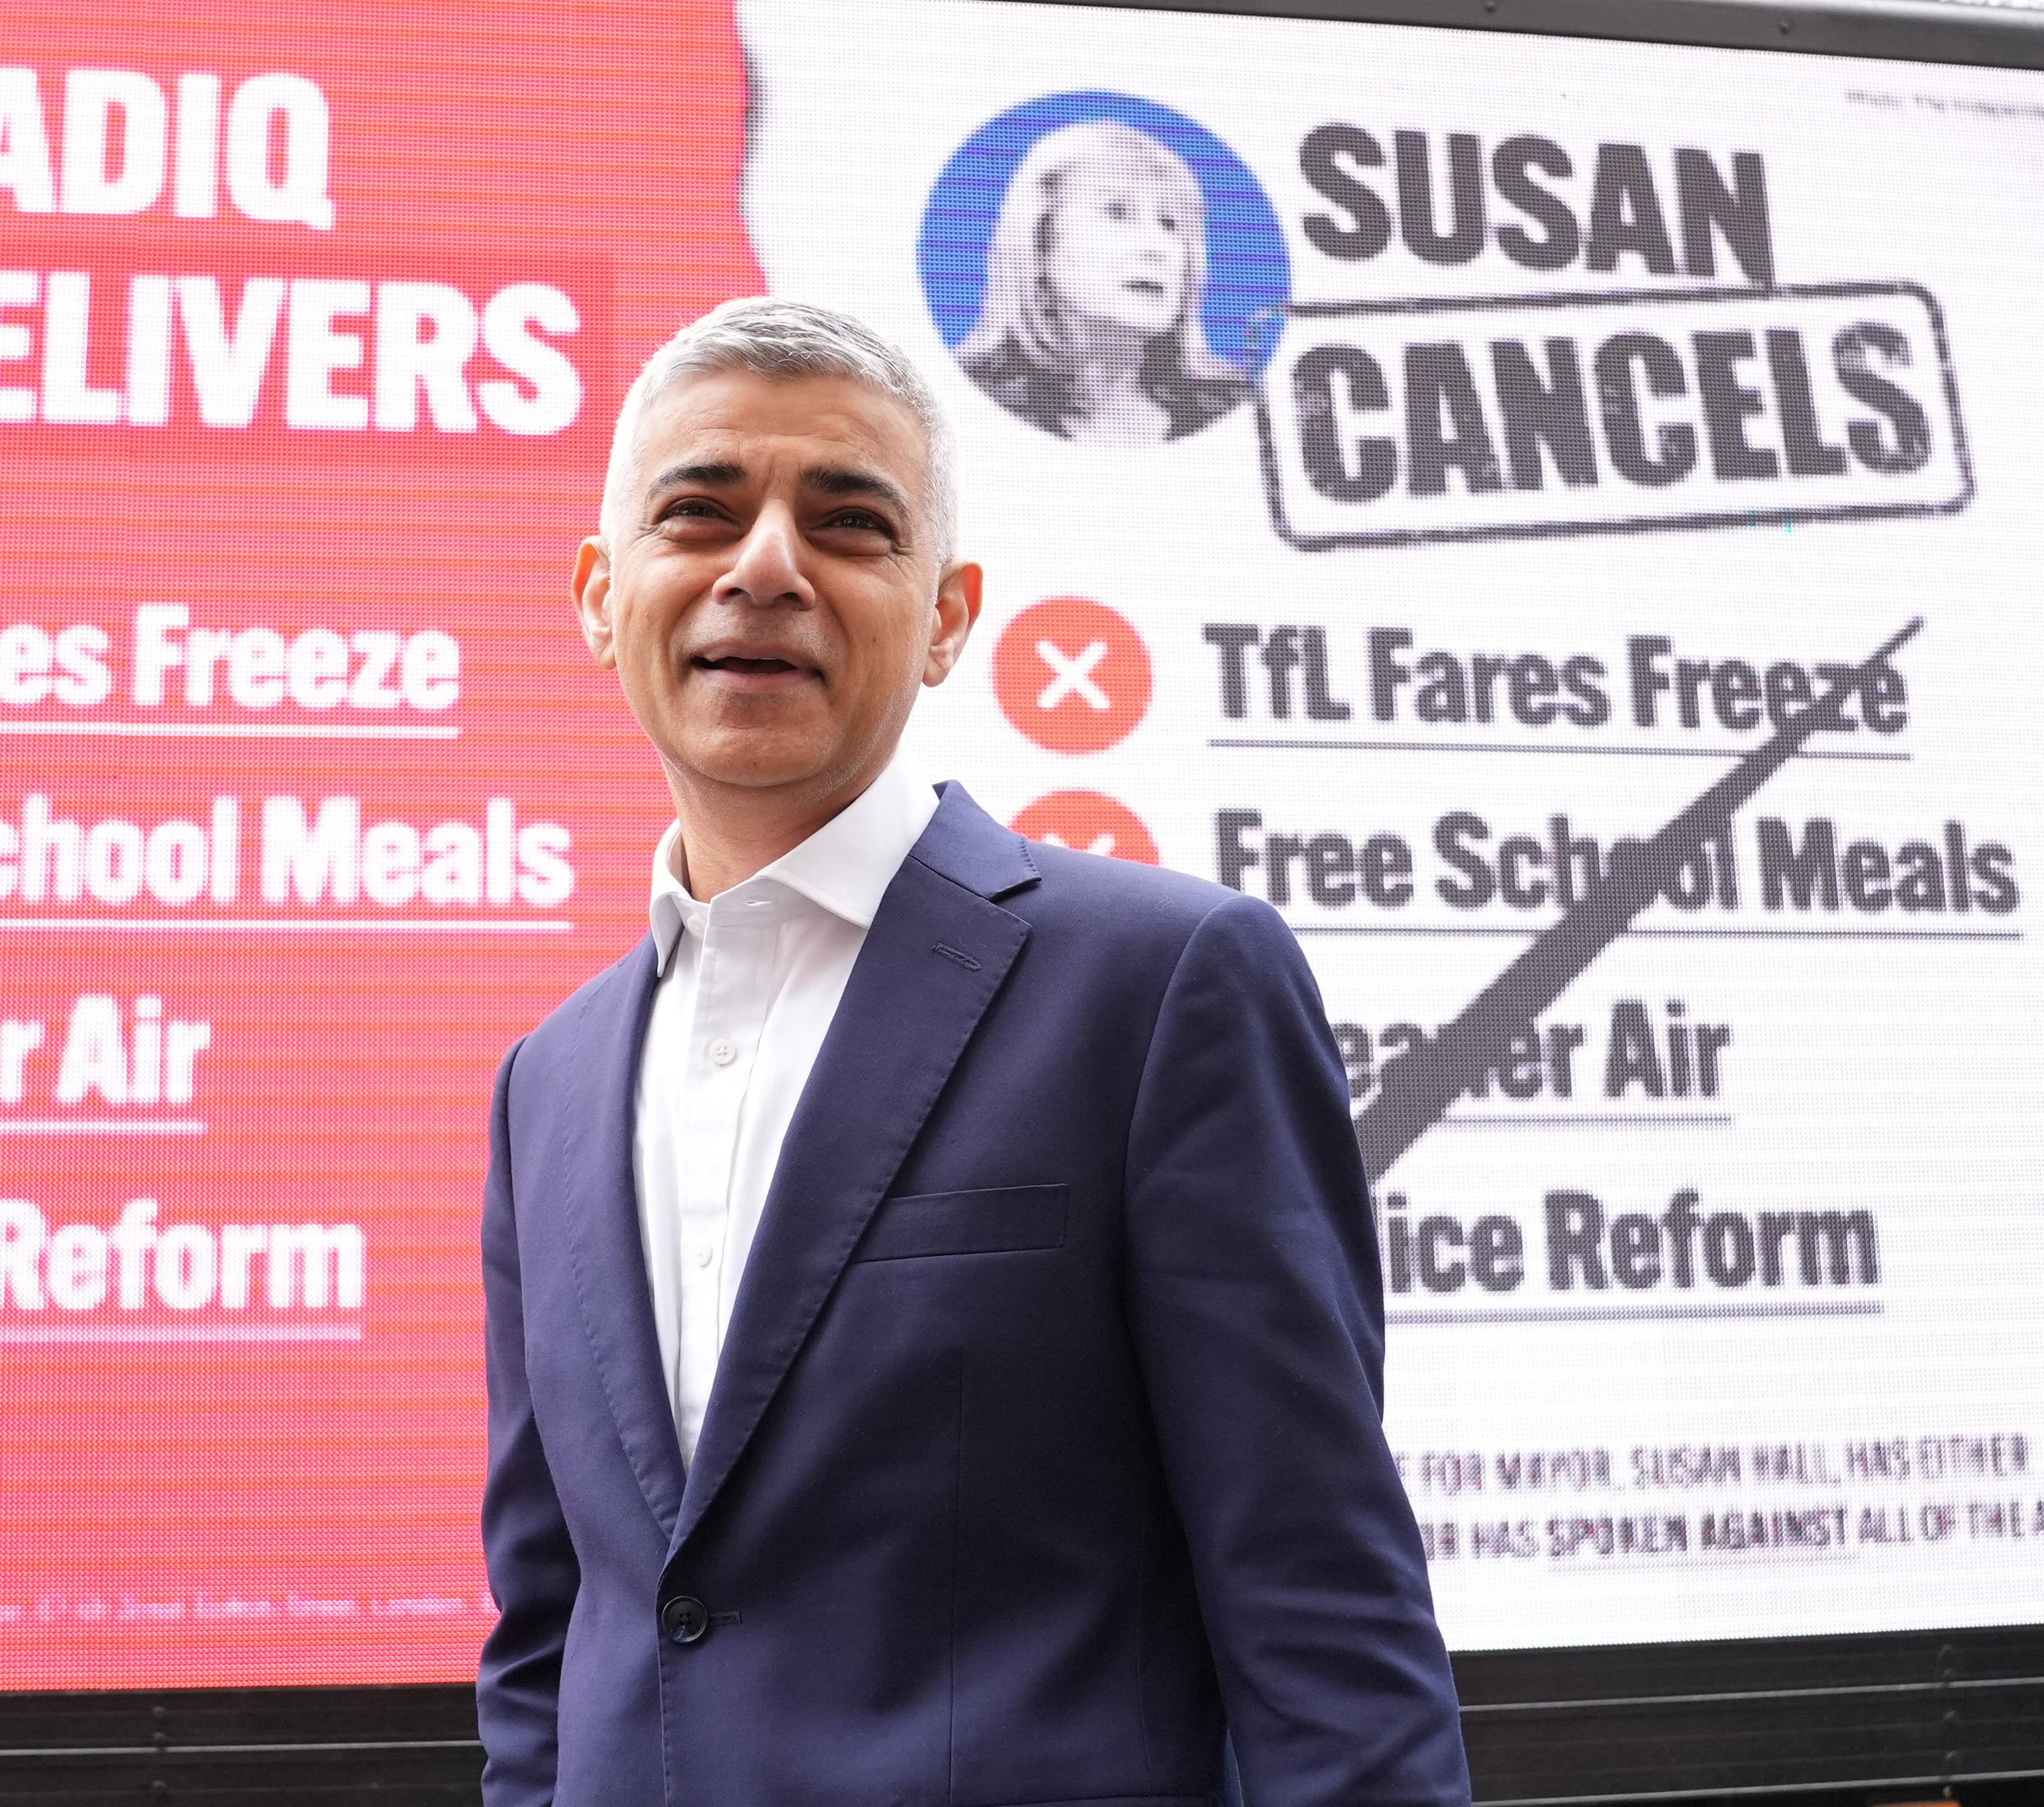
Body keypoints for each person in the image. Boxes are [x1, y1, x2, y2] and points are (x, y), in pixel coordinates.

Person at [476, 296, 1468, 1806]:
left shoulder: (1159, 987)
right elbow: (552, 1637)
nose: (763, 567)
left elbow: (1316, 1606)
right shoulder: (542, 1083)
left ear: (945, 616)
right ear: (598, 596)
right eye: (700, 512)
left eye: (848, 523)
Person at [955, 118, 1252, 444]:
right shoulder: (953, 399)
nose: (1157, 248)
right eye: (1116, 212)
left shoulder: (1239, 407)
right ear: (1040, 247)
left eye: (1170, 223)